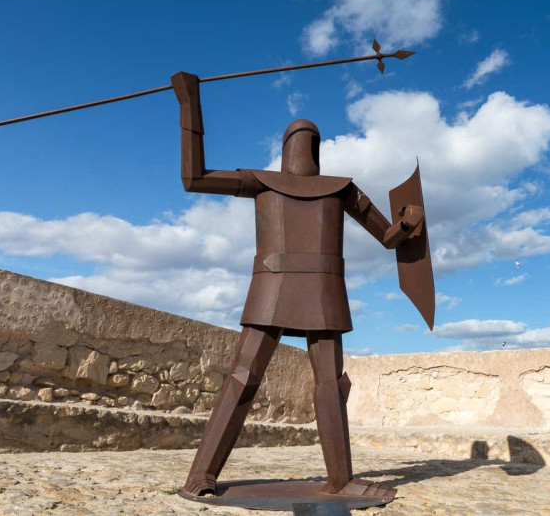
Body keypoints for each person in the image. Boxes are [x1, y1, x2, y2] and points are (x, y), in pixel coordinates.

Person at [171, 71, 423, 499]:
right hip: (273, 287)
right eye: (299, 137)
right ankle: (202, 474)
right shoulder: (261, 181)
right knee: (243, 377)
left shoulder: (341, 189)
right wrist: (189, 106)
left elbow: (387, 236)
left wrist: (407, 222)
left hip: (324, 291)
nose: (303, 145)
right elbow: (194, 178)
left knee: (330, 384)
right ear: (289, 147)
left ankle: (340, 479)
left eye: (309, 138)